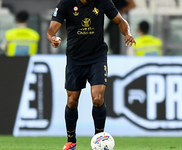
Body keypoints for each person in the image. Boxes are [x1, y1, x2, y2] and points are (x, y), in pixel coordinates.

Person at [47, 0, 136, 149]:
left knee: (97, 98)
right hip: (75, 58)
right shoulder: (66, 3)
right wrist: (53, 39)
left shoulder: (103, 2)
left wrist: (127, 33)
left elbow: (120, 20)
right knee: (72, 100)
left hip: (97, 57)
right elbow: (51, 30)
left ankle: (99, 138)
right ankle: (71, 141)